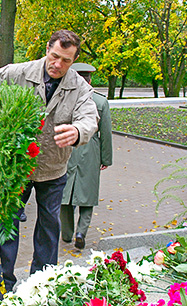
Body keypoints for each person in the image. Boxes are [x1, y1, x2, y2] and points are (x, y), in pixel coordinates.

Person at [0, 29, 98, 293]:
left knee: (49, 230)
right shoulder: (18, 73)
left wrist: (79, 131)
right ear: (47, 49)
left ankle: (41, 286)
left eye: (66, 60)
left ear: (74, 61)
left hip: (53, 170)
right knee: (6, 228)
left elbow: (90, 117)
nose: (58, 65)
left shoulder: (79, 86)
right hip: (16, 170)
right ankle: (4, 288)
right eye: (55, 56)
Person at [60, 63, 113, 249]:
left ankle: (66, 234)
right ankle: (81, 232)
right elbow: (105, 133)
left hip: (68, 146)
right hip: (90, 149)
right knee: (88, 194)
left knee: (65, 194)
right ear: (90, 80)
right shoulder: (100, 101)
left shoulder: (66, 98)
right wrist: (105, 159)